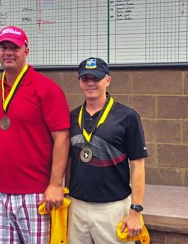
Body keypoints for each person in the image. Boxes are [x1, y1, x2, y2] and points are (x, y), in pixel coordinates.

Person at [0, 26, 70, 243]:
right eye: (3, 47)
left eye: (14, 47)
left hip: (36, 192)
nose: (8, 52)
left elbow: (61, 138)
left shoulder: (46, 89)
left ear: (26, 50)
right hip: (0, 192)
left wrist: (55, 184)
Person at [65, 57, 148, 243]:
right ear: (79, 81)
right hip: (77, 206)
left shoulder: (127, 117)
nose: (91, 83)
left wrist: (136, 211)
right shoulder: (72, 117)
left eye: (96, 78)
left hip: (112, 208)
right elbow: (68, 161)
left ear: (107, 80)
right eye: (85, 78)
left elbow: (138, 165)